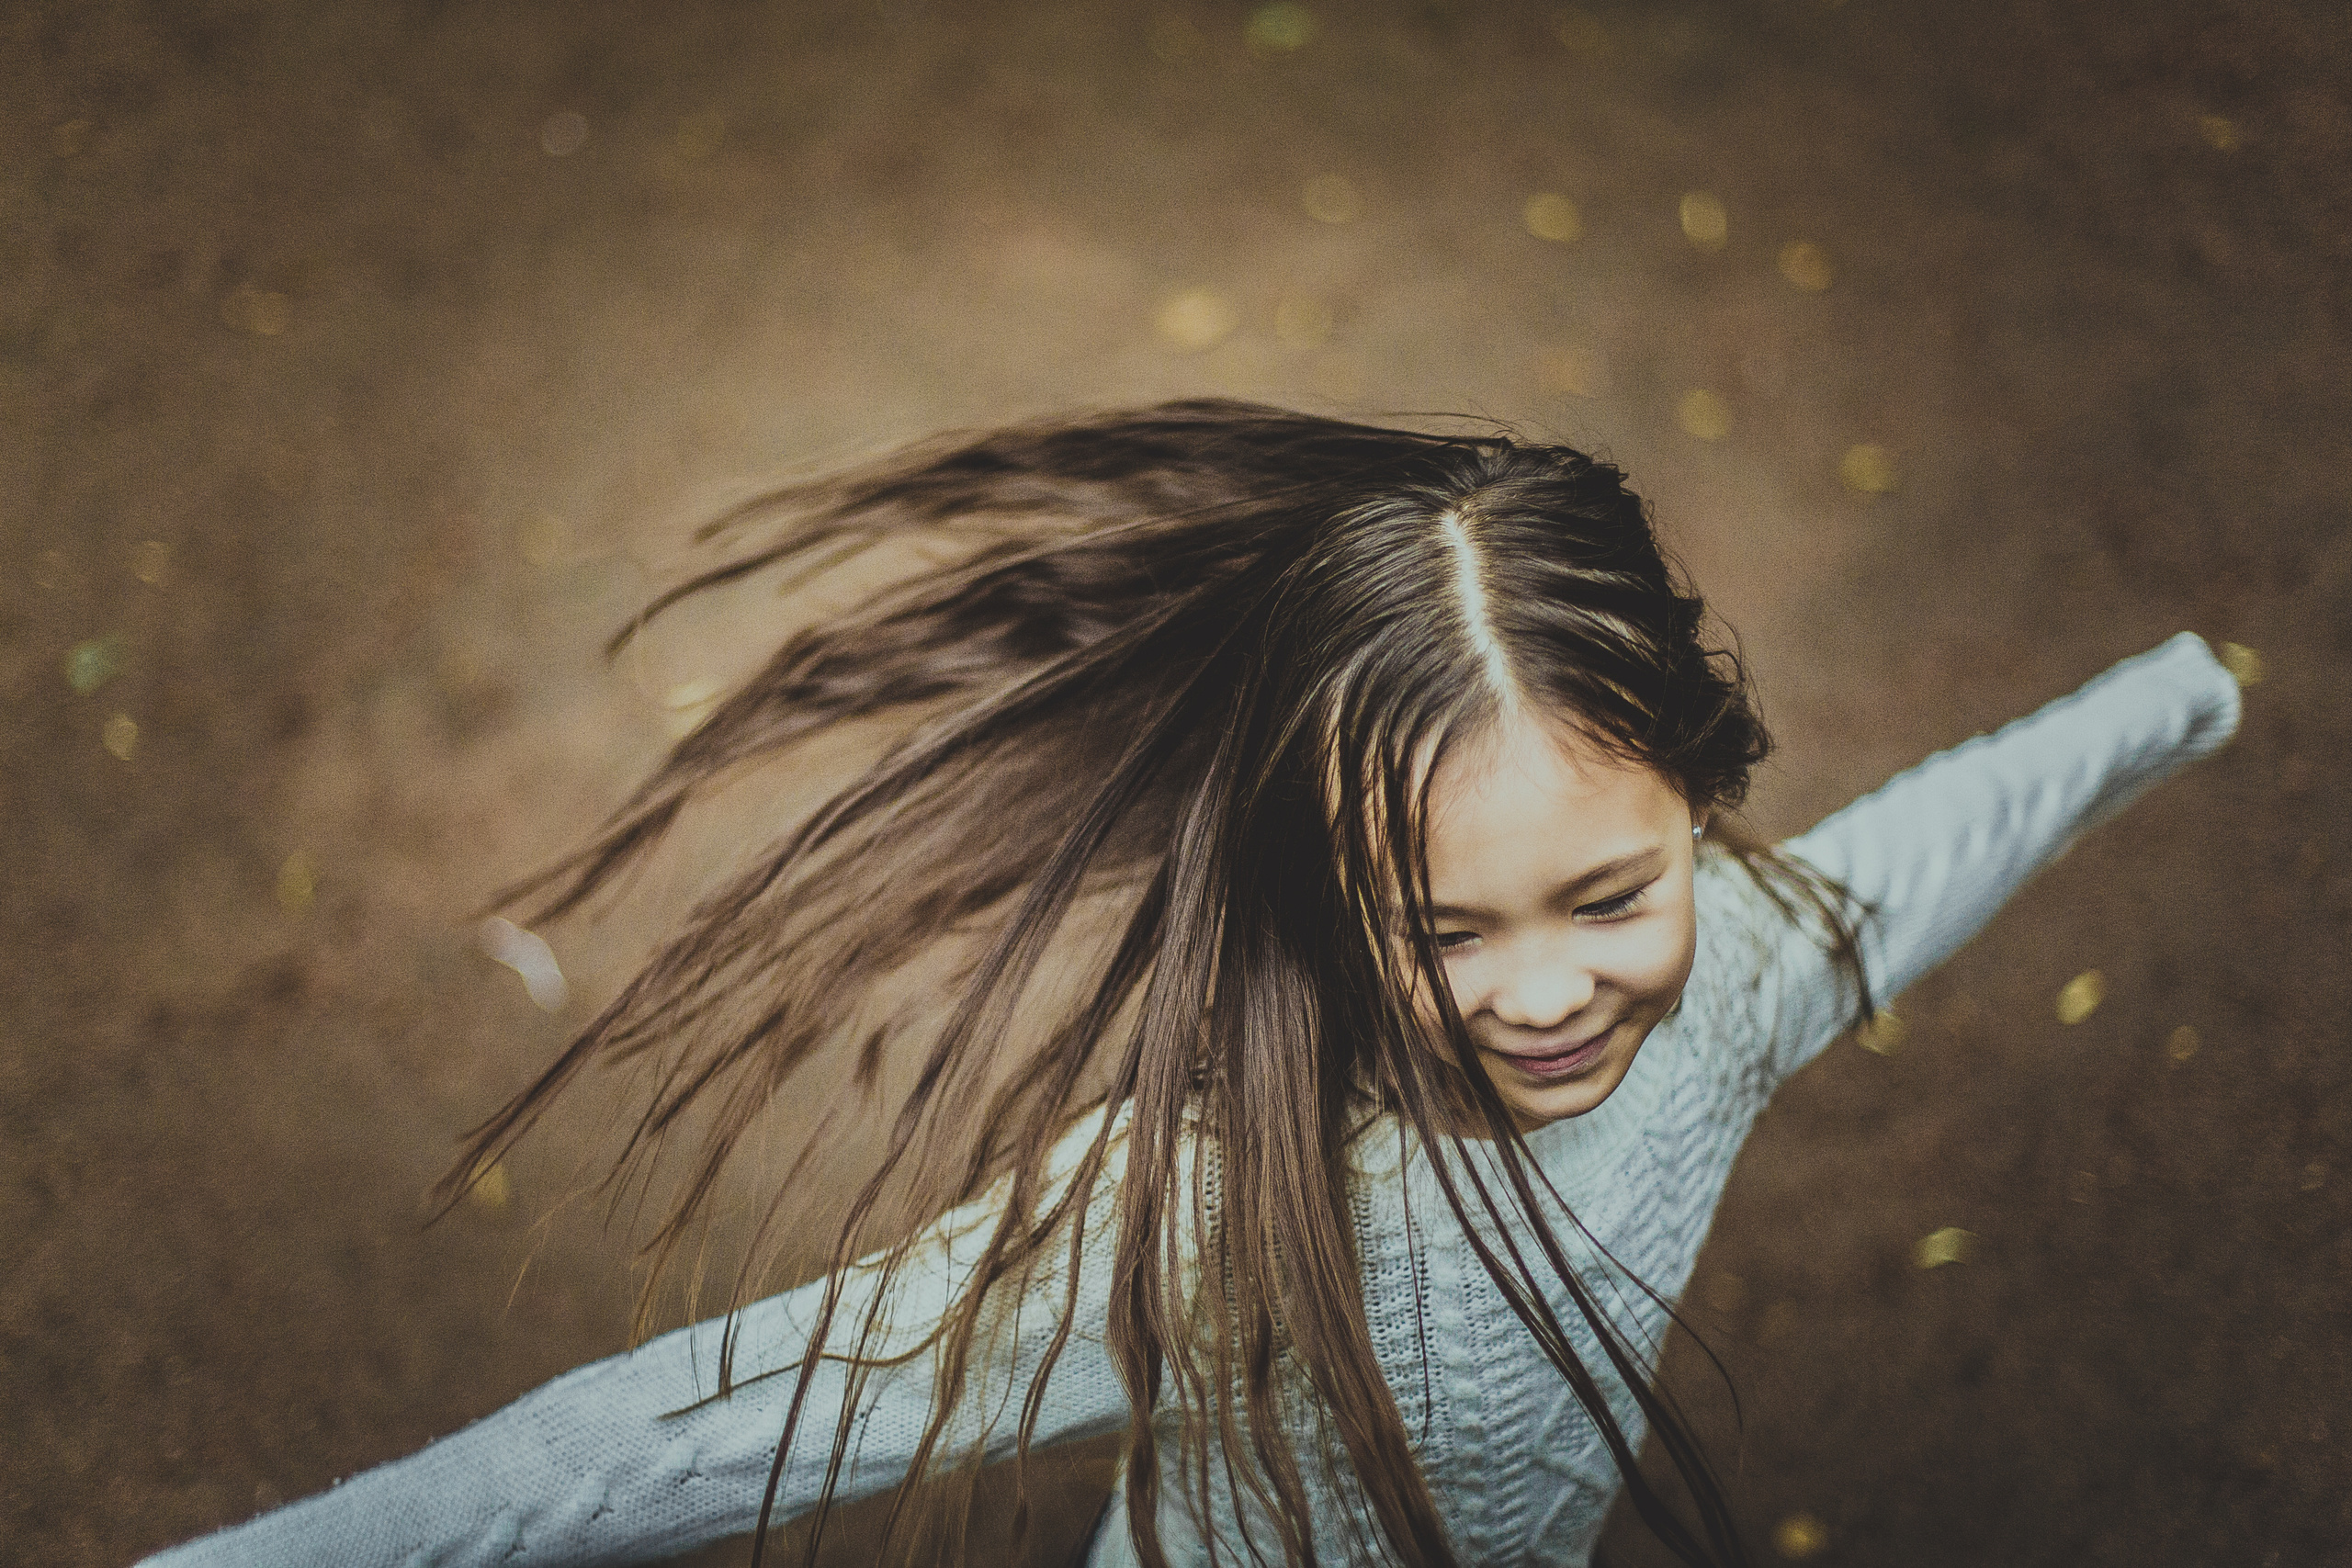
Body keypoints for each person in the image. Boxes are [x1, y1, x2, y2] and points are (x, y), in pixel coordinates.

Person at [140, 401, 2244, 1568]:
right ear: (1320, 886)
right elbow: (681, 1428)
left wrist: (2168, 700)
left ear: (1703, 798)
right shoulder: (1213, 1194)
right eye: (1437, 928)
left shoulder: (1751, 962)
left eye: (1605, 891)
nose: (1540, 990)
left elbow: (1927, 846)